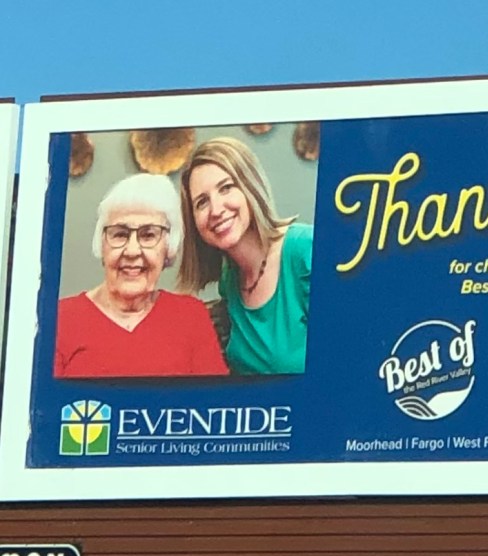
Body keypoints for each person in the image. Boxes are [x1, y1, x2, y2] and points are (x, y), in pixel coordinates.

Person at [55, 173, 229, 378]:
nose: (132, 251)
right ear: (102, 244)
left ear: (168, 248)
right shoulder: (61, 318)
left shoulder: (191, 316)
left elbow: (212, 396)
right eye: (120, 234)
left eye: (148, 235)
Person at [178, 137, 313, 375]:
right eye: (202, 202)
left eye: (226, 188)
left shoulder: (305, 250)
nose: (216, 210)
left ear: (250, 186)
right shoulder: (229, 279)